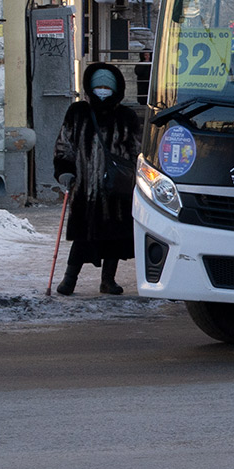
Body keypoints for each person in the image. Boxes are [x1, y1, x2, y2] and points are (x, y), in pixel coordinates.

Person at [53, 62, 142, 296]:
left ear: (117, 89)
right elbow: (65, 144)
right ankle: (69, 279)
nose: (103, 90)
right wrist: (64, 170)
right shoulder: (78, 112)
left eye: (107, 86)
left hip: (117, 189)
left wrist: (138, 178)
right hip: (85, 188)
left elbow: (137, 150)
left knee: (114, 236)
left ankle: (108, 281)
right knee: (83, 236)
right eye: (98, 86)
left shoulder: (127, 116)